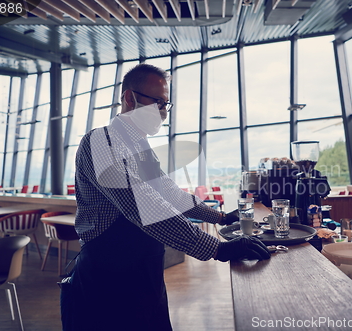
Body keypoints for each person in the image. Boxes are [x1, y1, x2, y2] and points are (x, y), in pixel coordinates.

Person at [61, 63, 270, 331]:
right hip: (107, 277)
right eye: (157, 102)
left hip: (144, 274)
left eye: (166, 104)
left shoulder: (141, 147)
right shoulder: (101, 142)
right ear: (128, 97)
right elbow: (142, 205)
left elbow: (168, 193)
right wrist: (216, 248)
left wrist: (219, 216)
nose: (162, 111)